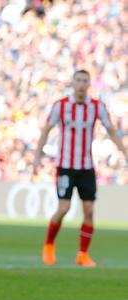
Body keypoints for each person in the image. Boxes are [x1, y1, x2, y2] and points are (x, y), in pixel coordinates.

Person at [33, 69, 128, 268]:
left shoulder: (96, 107)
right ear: (72, 83)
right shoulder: (60, 106)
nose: (82, 84)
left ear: (89, 84)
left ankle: (82, 254)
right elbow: (46, 131)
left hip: (86, 167)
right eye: (79, 80)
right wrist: (36, 158)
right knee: (64, 208)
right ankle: (49, 245)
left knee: (89, 210)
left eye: (85, 81)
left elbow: (111, 131)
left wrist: (125, 152)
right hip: (65, 166)